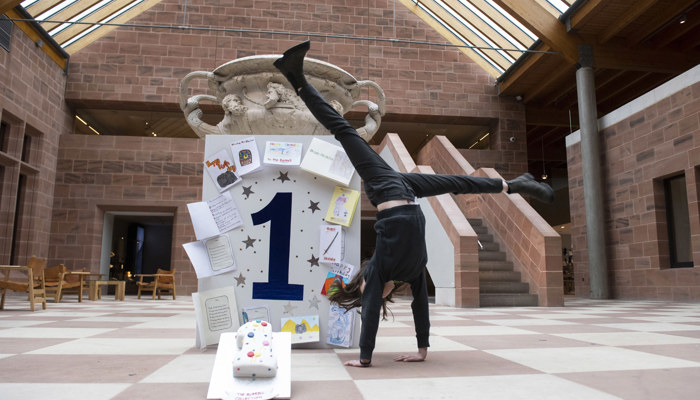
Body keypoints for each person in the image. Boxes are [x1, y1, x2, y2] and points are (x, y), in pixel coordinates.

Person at [274, 40, 554, 368]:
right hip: (404, 192)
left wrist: (365, 358)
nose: (368, 293)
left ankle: (296, 77)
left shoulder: (381, 267)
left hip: (389, 189)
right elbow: (420, 308)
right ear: (384, 293)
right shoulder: (413, 272)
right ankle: (514, 184)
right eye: (371, 293)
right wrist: (422, 350)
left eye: (364, 289)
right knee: (456, 183)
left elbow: (371, 314)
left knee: (344, 131)